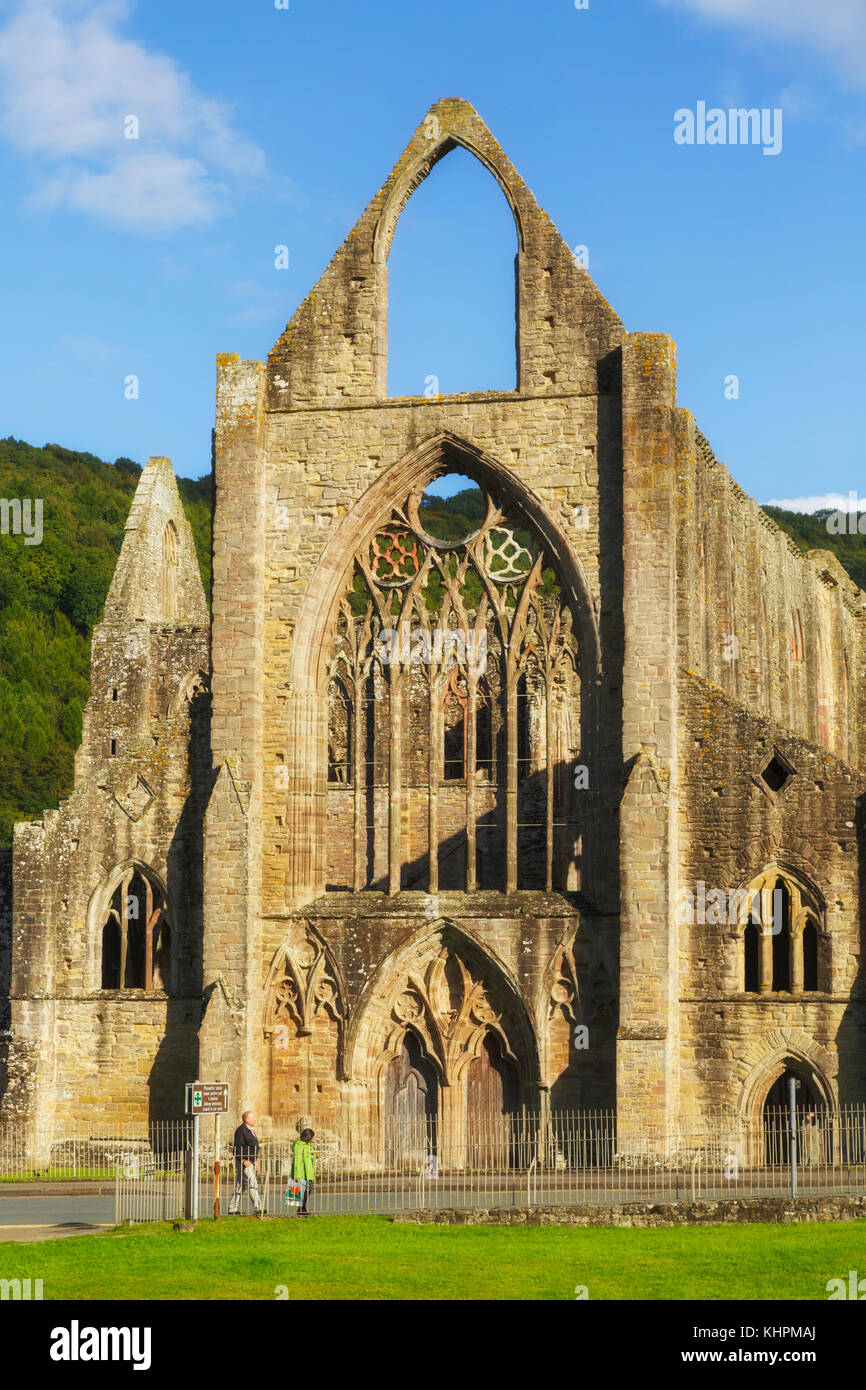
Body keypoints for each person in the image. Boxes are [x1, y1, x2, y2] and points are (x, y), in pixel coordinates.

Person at [229, 1110, 262, 1214]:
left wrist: (254, 1161)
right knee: (253, 1183)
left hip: (250, 1161)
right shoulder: (241, 1130)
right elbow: (237, 1147)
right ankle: (258, 1208)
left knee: (241, 1185)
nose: (254, 1119)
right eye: (252, 1117)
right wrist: (243, 1160)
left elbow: (253, 1147)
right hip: (244, 1162)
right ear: (246, 1119)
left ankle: (232, 1208)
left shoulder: (250, 1130)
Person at [291, 1127, 317, 1216]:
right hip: (302, 1171)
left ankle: (302, 1208)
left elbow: (311, 1155)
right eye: (312, 1137)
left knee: (309, 1189)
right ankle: (301, 1209)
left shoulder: (309, 1145)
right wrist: (297, 1174)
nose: (313, 1139)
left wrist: (316, 1155)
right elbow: (297, 1160)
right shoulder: (298, 1145)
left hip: (309, 1171)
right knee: (301, 1191)